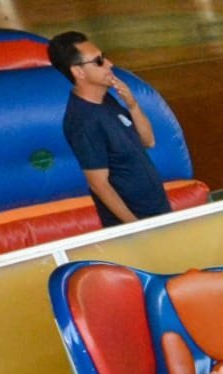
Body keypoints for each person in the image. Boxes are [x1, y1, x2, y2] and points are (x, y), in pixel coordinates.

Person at [47, 32, 172, 227]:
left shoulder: (107, 100)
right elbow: (99, 184)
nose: (109, 64)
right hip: (136, 225)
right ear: (78, 72)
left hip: (157, 210)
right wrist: (134, 226)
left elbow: (148, 141)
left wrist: (133, 105)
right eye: (99, 62)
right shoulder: (82, 121)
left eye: (103, 57)